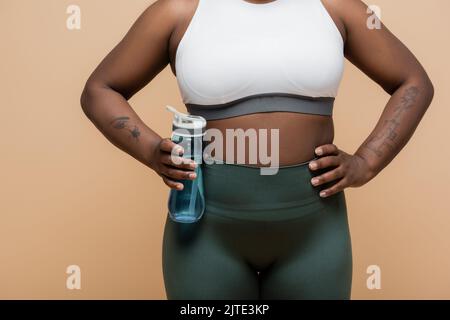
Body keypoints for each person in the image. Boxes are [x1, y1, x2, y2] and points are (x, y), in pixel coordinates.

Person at [80, 0, 434, 299]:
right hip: (206, 229)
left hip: (314, 230)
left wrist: (366, 162)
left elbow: (413, 82)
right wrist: (152, 150)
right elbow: (100, 90)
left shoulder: (335, 7)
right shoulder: (179, 11)